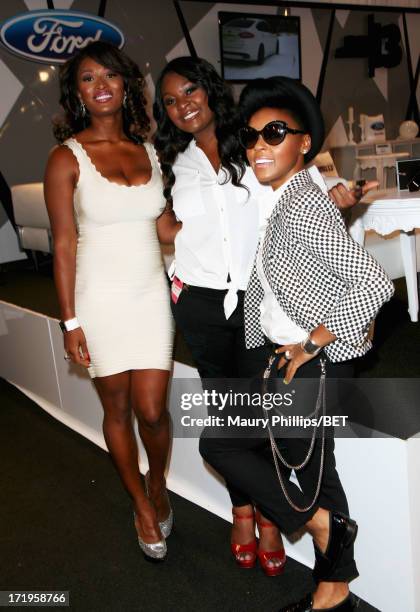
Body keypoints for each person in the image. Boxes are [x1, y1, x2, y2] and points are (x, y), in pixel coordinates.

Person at [153, 56, 376, 576]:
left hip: (285, 331)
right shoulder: (173, 163)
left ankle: (297, 533)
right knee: (237, 428)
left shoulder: (265, 162)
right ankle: (264, 520)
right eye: (169, 99)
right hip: (222, 312)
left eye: (191, 90)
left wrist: (316, 340)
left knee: (283, 442)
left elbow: (356, 270)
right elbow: (163, 223)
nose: (182, 104)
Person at [199, 76, 394, 611]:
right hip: (289, 360)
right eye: (252, 136)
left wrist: (312, 343)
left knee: (226, 447)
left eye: (275, 133)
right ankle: (335, 580)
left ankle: (330, 546)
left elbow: (373, 283)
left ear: (304, 142)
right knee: (312, 473)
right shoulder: (289, 198)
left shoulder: (302, 205)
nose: (258, 145)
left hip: (312, 364)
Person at [44, 41, 175, 561]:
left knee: (154, 411)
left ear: (126, 85)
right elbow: (62, 243)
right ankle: (141, 504)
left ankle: (159, 483)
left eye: (109, 76)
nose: (100, 86)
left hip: (149, 295)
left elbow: (165, 226)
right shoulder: (65, 158)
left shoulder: (150, 151)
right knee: (117, 410)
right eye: (87, 79)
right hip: (97, 299)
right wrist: (70, 321)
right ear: (77, 94)